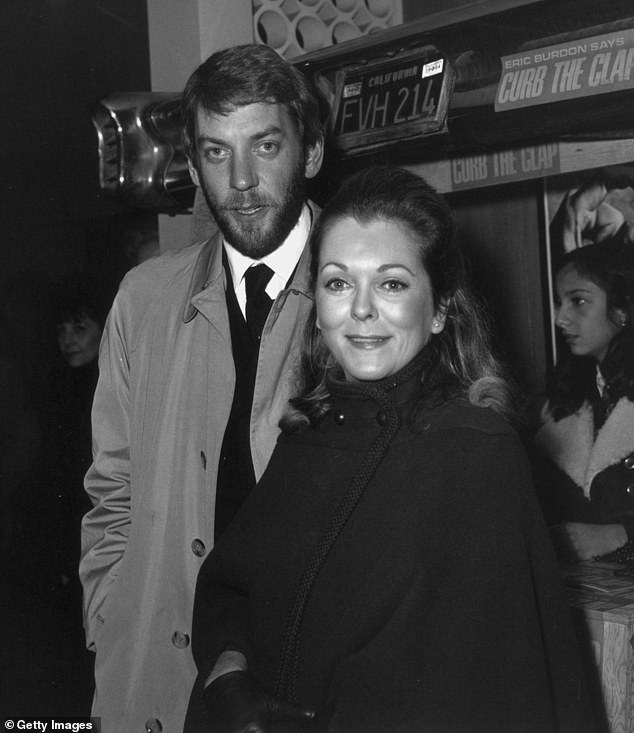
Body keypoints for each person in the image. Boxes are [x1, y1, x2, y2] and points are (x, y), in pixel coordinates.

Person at [185, 166, 594, 733]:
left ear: (441, 308)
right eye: (337, 282)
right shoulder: (307, 436)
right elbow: (231, 590)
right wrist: (229, 677)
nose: (360, 309)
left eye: (392, 283)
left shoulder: (476, 452)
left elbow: (479, 697)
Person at [79, 43, 324, 732]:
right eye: (216, 152)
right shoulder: (144, 299)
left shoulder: (367, 301)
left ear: (309, 152)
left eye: (265, 144)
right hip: (158, 691)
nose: (241, 180)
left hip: (297, 692)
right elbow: (111, 496)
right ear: (192, 160)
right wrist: (114, 632)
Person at [534, 241, 634, 563]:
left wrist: (621, 534)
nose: (560, 318)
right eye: (559, 302)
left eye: (578, 301)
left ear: (621, 310)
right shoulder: (560, 400)